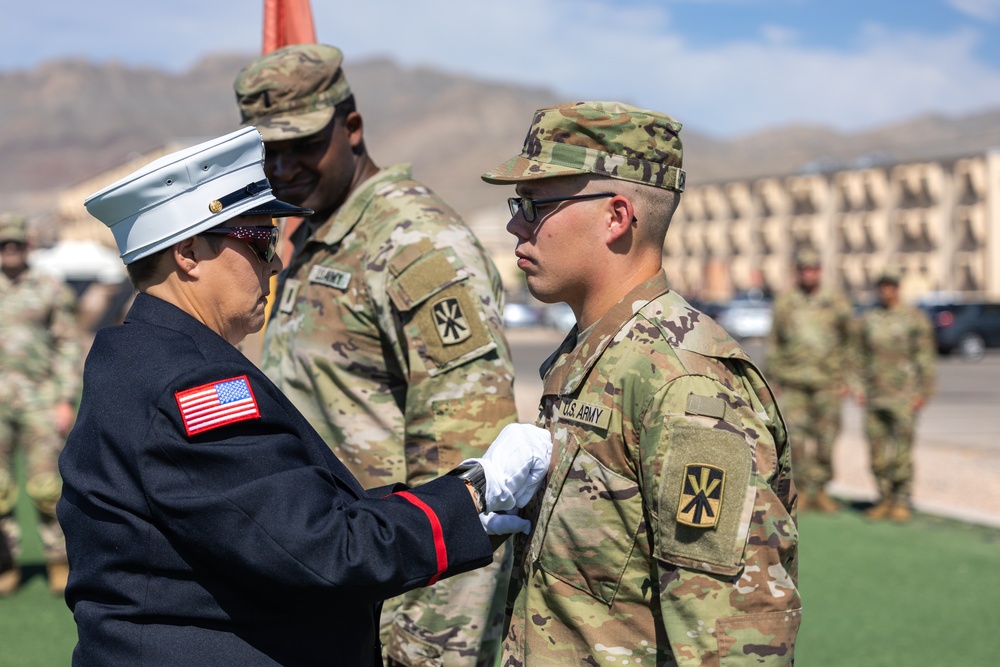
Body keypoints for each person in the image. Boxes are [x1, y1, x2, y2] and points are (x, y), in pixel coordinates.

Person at [57, 127, 551, 666]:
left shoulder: (144, 354)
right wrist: (473, 496)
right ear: (189, 252)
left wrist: (452, 504)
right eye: (261, 239)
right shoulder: (192, 384)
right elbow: (321, 549)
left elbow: (280, 512)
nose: (275, 262)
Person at [481, 101, 802, 665]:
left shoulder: (684, 386)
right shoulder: (601, 352)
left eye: (534, 205)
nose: (515, 224)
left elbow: (732, 639)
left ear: (616, 217)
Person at [233, 44, 521, 666]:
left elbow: (469, 467)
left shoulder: (414, 243)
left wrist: (428, 644)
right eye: (267, 150)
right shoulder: (317, 232)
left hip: (403, 594)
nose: (282, 168)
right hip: (337, 580)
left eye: (303, 144)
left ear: (352, 129)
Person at [0, 213, 82, 596]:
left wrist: (65, 398)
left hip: (40, 399)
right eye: (3, 244)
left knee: (46, 485)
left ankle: (58, 559)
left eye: (15, 243)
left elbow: (67, 344)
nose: (9, 250)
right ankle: (6, 562)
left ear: (27, 245)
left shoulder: (49, 287)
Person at [764, 247, 854, 512]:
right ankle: (801, 490)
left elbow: (850, 341)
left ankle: (822, 489)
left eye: (813, 269)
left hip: (828, 381)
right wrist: (773, 378)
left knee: (826, 439)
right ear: (798, 272)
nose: (809, 273)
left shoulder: (835, 302)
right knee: (796, 440)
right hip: (794, 382)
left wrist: (849, 378)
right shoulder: (786, 302)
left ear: (820, 271)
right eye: (804, 269)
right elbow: (775, 342)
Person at [853, 268, 936, 522]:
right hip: (875, 396)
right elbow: (857, 356)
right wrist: (857, 386)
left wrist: (924, 391)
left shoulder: (914, 318)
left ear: (898, 287)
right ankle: (884, 498)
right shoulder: (868, 319)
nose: (886, 290)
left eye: (891, 285)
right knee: (877, 455)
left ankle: (901, 501)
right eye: (882, 286)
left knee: (901, 454)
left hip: (904, 396)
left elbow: (925, 357)